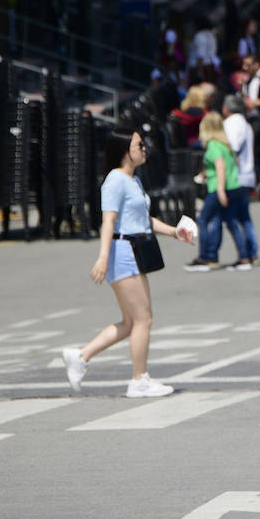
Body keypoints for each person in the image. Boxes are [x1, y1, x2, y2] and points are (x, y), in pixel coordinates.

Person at [60, 129, 194, 398]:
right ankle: (138, 379)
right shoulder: (115, 181)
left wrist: (173, 231)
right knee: (144, 318)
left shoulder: (134, 181)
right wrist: (103, 257)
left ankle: (81, 356)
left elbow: (144, 219)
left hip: (134, 249)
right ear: (125, 151)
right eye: (139, 145)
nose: (144, 149)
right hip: (123, 252)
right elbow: (108, 221)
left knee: (132, 322)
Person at [185, 112, 243, 272]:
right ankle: (218, 256)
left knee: (203, 220)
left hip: (217, 188)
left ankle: (205, 257)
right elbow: (233, 163)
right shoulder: (225, 144)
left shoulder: (213, 146)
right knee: (223, 221)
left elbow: (220, 168)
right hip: (231, 186)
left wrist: (219, 190)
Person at [221, 95, 260, 269]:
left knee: (233, 218)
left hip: (237, 176)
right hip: (246, 175)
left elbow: (233, 147)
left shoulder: (233, 123)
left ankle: (245, 254)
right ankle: (252, 252)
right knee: (244, 217)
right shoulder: (244, 123)